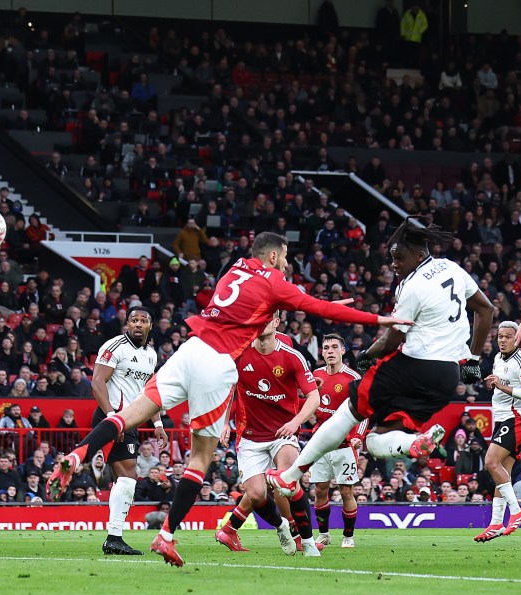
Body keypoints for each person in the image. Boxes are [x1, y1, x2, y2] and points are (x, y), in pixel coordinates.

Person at [46, 232, 409, 567]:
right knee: (200, 458)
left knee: (128, 414)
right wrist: (380, 318)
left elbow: (297, 302)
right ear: (271, 255)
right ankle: (166, 535)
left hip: (189, 349)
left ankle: (78, 452)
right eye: (283, 258)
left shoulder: (235, 268)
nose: (285, 265)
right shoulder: (274, 280)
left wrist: (318, 301)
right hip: (217, 363)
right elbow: (318, 310)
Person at [268, 219, 493, 500]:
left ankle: (290, 477)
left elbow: (391, 341)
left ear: (419, 255)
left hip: (414, 366)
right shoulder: (452, 268)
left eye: (399, 258)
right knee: (375, 441)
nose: (394, 265)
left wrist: (365, 356)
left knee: (348, 412)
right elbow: (486, 309)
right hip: (447, 376)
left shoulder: (412, 287)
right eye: (391, 259)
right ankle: (414, 442)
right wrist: (472, 358)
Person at [214, 313, 321, 557]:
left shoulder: (292, 356)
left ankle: (308, 541)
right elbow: (227, 388)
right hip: (250, 437)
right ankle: (282, 526)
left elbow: (313, 396)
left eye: (269, 318)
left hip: (283, 432)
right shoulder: (239, 354)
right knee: (256, 494)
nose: (263, 322)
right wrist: (223, 422)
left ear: (276, 323)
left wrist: (295, 422)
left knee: (288, 482)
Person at [88, 306, 165, 556]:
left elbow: (149, 394)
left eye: (144, 320)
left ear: (150, 326)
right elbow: (97, 382)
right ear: (127, 324)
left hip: (130, 420)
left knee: (125, 478)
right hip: (113, 417)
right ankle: (114, 537)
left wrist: (158, 424)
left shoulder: (151, 355)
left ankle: (114, 537)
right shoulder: (115, 346)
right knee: (128, 476)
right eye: (134, 320)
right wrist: (113, 418)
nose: (139, 324)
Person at [473, 322, 521, 542]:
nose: (503, 340)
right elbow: (502, 383)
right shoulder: (498, 359)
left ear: (516, 338)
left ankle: (517, 511)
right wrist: (494, 384)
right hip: (503, 419)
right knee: (502, 473)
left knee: (490, 462)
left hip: (518, 417)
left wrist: (502, 387)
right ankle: (496, 523)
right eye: (500, 336)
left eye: (508, 337)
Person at [308, 333, 364, 549]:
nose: (330, 351)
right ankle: (323, 534)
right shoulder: (316, 375)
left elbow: (363, 412)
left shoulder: (352, 378)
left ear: (343, 351)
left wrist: (358, 435)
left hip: (344, 443)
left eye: (334, 347)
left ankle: (348, 536)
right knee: (320, 489)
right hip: (320, 442)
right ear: (322, 352)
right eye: (326, 348)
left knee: (346, 491)